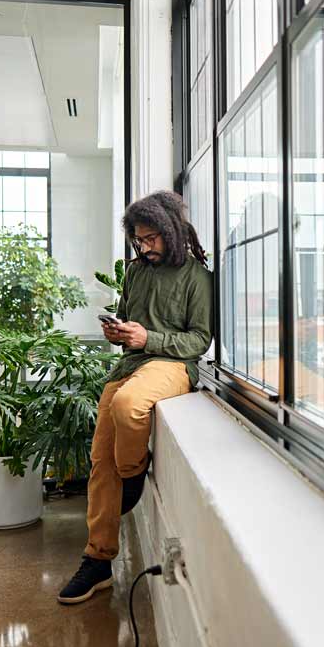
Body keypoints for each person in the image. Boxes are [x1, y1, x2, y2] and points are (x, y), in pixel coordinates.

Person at [58, 191, 212, 604]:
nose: (144, 247)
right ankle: (98, 559)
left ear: (171, 231)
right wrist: (120, 330)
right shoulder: (136, 272)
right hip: (131, 364)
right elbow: (129, 316)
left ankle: (133, 473)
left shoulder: (196, 276)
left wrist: (150, 337)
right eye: (138, 240)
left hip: (174, 366)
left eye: (151, 239)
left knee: (128, 408)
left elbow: (200, 339)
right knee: (98, 460)